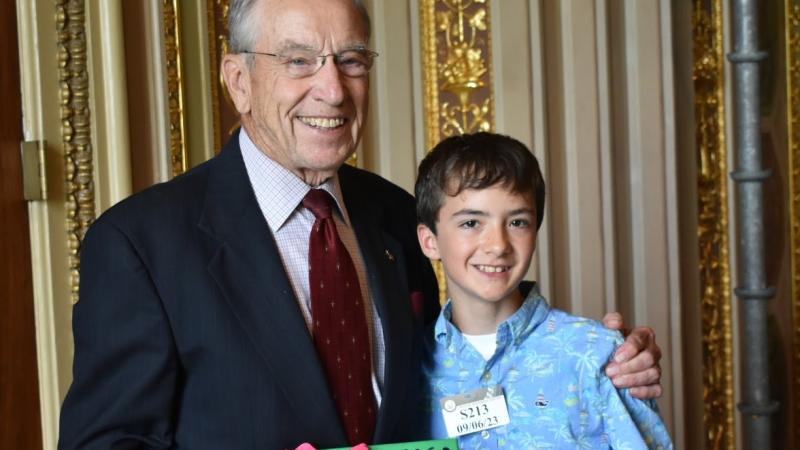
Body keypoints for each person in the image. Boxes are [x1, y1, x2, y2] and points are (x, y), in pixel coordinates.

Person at [58, 0, 662, 449]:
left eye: (350, 60)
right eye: (299, 60)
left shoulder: (396, 215)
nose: (332, 89)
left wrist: (595, 357)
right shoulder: (140, 243)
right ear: (238, 81)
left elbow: (457, 364)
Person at [414, 132, 673, 448]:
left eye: (517, 222)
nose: (498, 245)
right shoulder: (406, 367)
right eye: (471, 223)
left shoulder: (597, 356)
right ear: (430, 241)